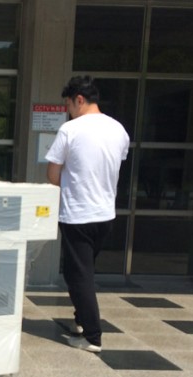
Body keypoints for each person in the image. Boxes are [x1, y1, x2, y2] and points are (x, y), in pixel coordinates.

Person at [45, 75, 130, 353]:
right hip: (105, 215)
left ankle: (92, 336)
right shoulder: (118, 129)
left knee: (78, 276)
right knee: (84, 271)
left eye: (68, 105)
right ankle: (81, 321)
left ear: (79, 100)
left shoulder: (70, 129)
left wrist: (68, 184)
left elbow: (53, 174)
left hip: (77, 215)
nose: (68, 111)